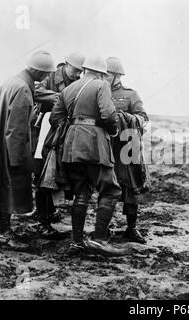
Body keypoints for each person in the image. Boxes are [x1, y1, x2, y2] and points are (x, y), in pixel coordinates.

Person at [0, 51, 56, 250]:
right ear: (38, 72)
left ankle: (3, 229)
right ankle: (4, 232)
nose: (47, 77)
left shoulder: (13, 81)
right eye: (46, 73)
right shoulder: (23, 89)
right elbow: (16, 129)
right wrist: (17, 159)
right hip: (10, 148)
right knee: (7, 189)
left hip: (0, 142)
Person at [49, 54, 127, 256]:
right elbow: (109, 115)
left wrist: (74, 129)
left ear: (84, 69)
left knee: (81, 192)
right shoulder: (101, 85)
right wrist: (111, 131)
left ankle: (76, 242)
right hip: (94, 143)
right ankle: (99, 240)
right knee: (110, 190)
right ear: (102, 73)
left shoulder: (68, 88)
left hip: (71, 146)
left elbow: (55, 118)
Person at [29, 51, 86, 238]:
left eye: (80, 72)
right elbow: (35, 91)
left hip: (63, 132)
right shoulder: (51, 76)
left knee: (56, 172)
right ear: (66, 64)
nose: (78, 75)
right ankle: (42, 219)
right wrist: (60, 97)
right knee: (42, 173)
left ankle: (49, 210)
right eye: (76, 70)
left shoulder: (77, 81)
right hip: (44, 130)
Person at [105, 57, 150, 244]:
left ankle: (131, 228)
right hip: (107, 147)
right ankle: (103, 228)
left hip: (128, 147)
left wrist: (125, 118)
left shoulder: (130, 95)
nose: (104, 78)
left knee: (132, 188)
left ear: (117, 76)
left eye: (107, 74)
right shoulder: (98, 92)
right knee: (106, 188)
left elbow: (143, 118)